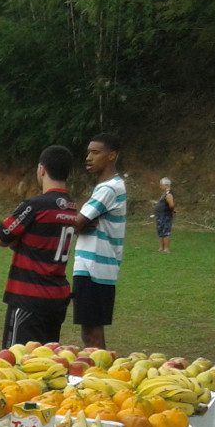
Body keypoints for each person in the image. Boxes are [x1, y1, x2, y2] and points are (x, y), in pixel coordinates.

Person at [0, 145, 79, 350]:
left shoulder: (36, 206)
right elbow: (42, 243)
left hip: (29, 297)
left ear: (41, 169)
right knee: (47, 360)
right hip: (56, 297)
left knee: (18, 359)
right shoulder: (71, 207)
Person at [71, 133, 127, 349]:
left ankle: (99, 376)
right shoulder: (107, 187)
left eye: (95, 153)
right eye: (88, 152)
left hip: (94, 268)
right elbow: (81, 223)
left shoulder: (109, 188)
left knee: (91, 333)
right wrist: (81, 224)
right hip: (93, 267)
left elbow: (76, 224)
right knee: (89, 330)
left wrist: (79, 224)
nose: (88, 157)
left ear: (112, 156)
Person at [154, 176, 175, 253]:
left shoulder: (169, 194)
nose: (160, 187)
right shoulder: (165, 193)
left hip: (165, 215)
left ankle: (166, 249)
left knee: (165, 231)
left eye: (161, 185)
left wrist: (172, 211)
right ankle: (161, 248)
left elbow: (171, 204)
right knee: (160, 231)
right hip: (160, 215)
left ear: (165, 185)